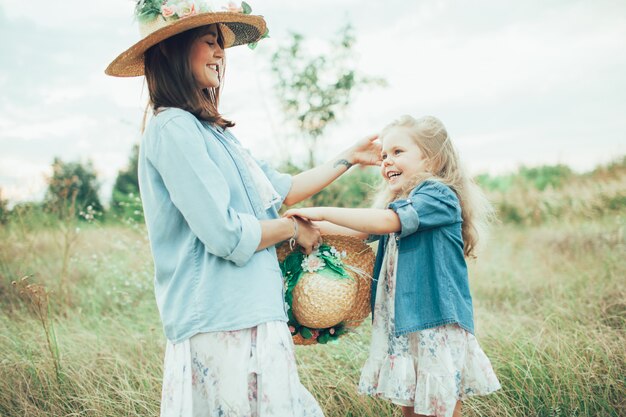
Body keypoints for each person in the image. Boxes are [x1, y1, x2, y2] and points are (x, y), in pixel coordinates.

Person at [105, 2, 382, 416]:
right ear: (170, 51)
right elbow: (226, 234)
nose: (221, 53)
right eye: (209, 42)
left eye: (223, 45)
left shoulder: (212, 133)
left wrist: (349, 157)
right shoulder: (173, 127)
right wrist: (291, 230)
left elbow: (282, 189)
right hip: (219, 319)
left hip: (249, 312)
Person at [284, 115, 501, 417]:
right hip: (404, 323)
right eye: (384, 155)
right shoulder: (401, 203)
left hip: (434, 321)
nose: (386, 161)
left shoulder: (438, 196)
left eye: (398, 152)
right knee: (410, 406)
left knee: (439, 405)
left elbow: (386, 221)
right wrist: (306, 225)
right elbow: (361, 231)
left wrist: (319, 209)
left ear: (433, 159)